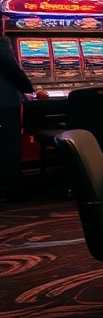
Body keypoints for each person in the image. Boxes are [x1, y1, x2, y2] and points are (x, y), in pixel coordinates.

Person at [0, 39, 44, 200]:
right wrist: (31, 88)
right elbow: (10, 66)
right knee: (9, 146)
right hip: (4, 102)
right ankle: (11, 190)